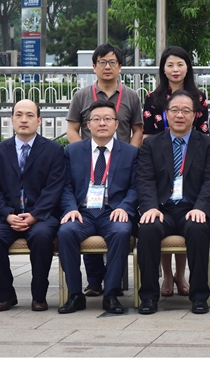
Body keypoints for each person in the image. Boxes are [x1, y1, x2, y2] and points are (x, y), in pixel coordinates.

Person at [66, 44, 143, 298]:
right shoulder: (82, 95)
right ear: (94, 66)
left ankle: (112, 287)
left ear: (120, 67)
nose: (107, 67)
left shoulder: (130, 96)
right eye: (102, 62)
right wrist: (84, 154)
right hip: (90, 166)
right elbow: (72, 129)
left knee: (116, 224)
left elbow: (138, 129)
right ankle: (93, 281)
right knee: (85, 211)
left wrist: (127, 155)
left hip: (119, 164)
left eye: (112, 62)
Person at [135, 90, 210, 314]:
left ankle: (200, 296)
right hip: (161, 209)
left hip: (192, 208)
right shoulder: (151, 144)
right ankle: (148, 296)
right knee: (147, 228)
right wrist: (150, 208)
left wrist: (201, 208)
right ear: (166, 113)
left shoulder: (209, 145)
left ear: (194, 115)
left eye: (186, 111)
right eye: (175, 110)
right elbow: (144, 179)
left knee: (197, 228)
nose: (180, 115)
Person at [0, 99, 66, 311]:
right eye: (18, 115)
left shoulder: (54, 150)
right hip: (7, 216)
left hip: (41, 216)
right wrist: (7, 214)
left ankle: (39, 295)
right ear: (12, 120)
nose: (24, 120)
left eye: (30, 115)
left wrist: (35, 215)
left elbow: (54, 188)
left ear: (39, 121)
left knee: (42, 237)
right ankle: (6, 294)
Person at [57, 101, 139, 314]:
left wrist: (125, 207)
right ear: (88, 124)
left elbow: (136, 187)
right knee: (66, 232)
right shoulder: (72, 151)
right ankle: (75, 294)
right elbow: (65, 186)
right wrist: (70, 208)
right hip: (82, 212)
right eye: (97, 119)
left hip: (112, 211)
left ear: (116, 124)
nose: (102, 123)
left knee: (121, 232)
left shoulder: (130, 152)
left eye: (107, 119)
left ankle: (111, 294)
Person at [143, 46, 210, 298]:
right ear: (163, 68)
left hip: (189, 164)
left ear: (187, 67)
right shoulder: (154, 97)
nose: (175, 69)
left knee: (190, 220)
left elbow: (202, 134)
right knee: (156, 219)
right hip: (162, 163)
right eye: (170, 64)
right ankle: (167, 275)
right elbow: (148, 133)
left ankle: (181, 275)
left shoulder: (198, 97)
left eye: (180, 64)